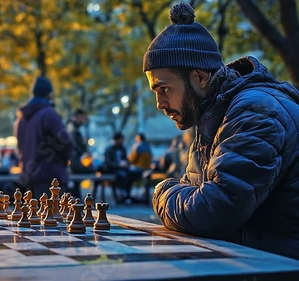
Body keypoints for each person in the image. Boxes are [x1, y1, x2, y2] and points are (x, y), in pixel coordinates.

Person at [143, 3, 299, 259]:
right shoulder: (212, 117)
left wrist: (161, 192)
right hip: (254, 261)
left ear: (200, 78)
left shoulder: (255, 112)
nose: (160, 104)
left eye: (164, 89)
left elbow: (216, 211)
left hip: (280, 267)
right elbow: (195, 198)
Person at [14, 76, 73, 199]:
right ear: (49, 93)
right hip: (51, 176)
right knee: (52, 215)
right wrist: (65, 158)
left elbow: (20, 147)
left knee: (34, 215)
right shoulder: (48, 114)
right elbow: (65, 141)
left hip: (29, 176)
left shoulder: (22, 119)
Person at [67, 108, 95, 199]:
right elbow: (78, 147)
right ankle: (76, 200)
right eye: (82, 118)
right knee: (93, 170)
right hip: (73, 162)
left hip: (74, 161)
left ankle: (76, 199)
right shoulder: (72, 130)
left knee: (75, 184)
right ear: (76, 117)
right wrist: (84, 147)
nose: (83, 121)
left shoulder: (73, 128)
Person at [102, 132, 130, 203]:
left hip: (122, 169)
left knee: (131, 174)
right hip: (112, 169)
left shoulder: (122, 148)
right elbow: (108, 163)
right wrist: (119, 165)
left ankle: (126, 195)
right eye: (120, 140)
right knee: (122, 175)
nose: (122, 142)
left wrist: (126, 163)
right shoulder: (109, 149)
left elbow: (126, 159)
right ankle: (122, 194)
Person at [127, 133, 152, 202]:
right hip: (147, 168)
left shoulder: (137, 146)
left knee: (127, 175)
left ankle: (128, 196)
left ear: (138, 138)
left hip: (138, 168)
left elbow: (133, 159)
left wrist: (127, 160)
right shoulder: (148, 146)